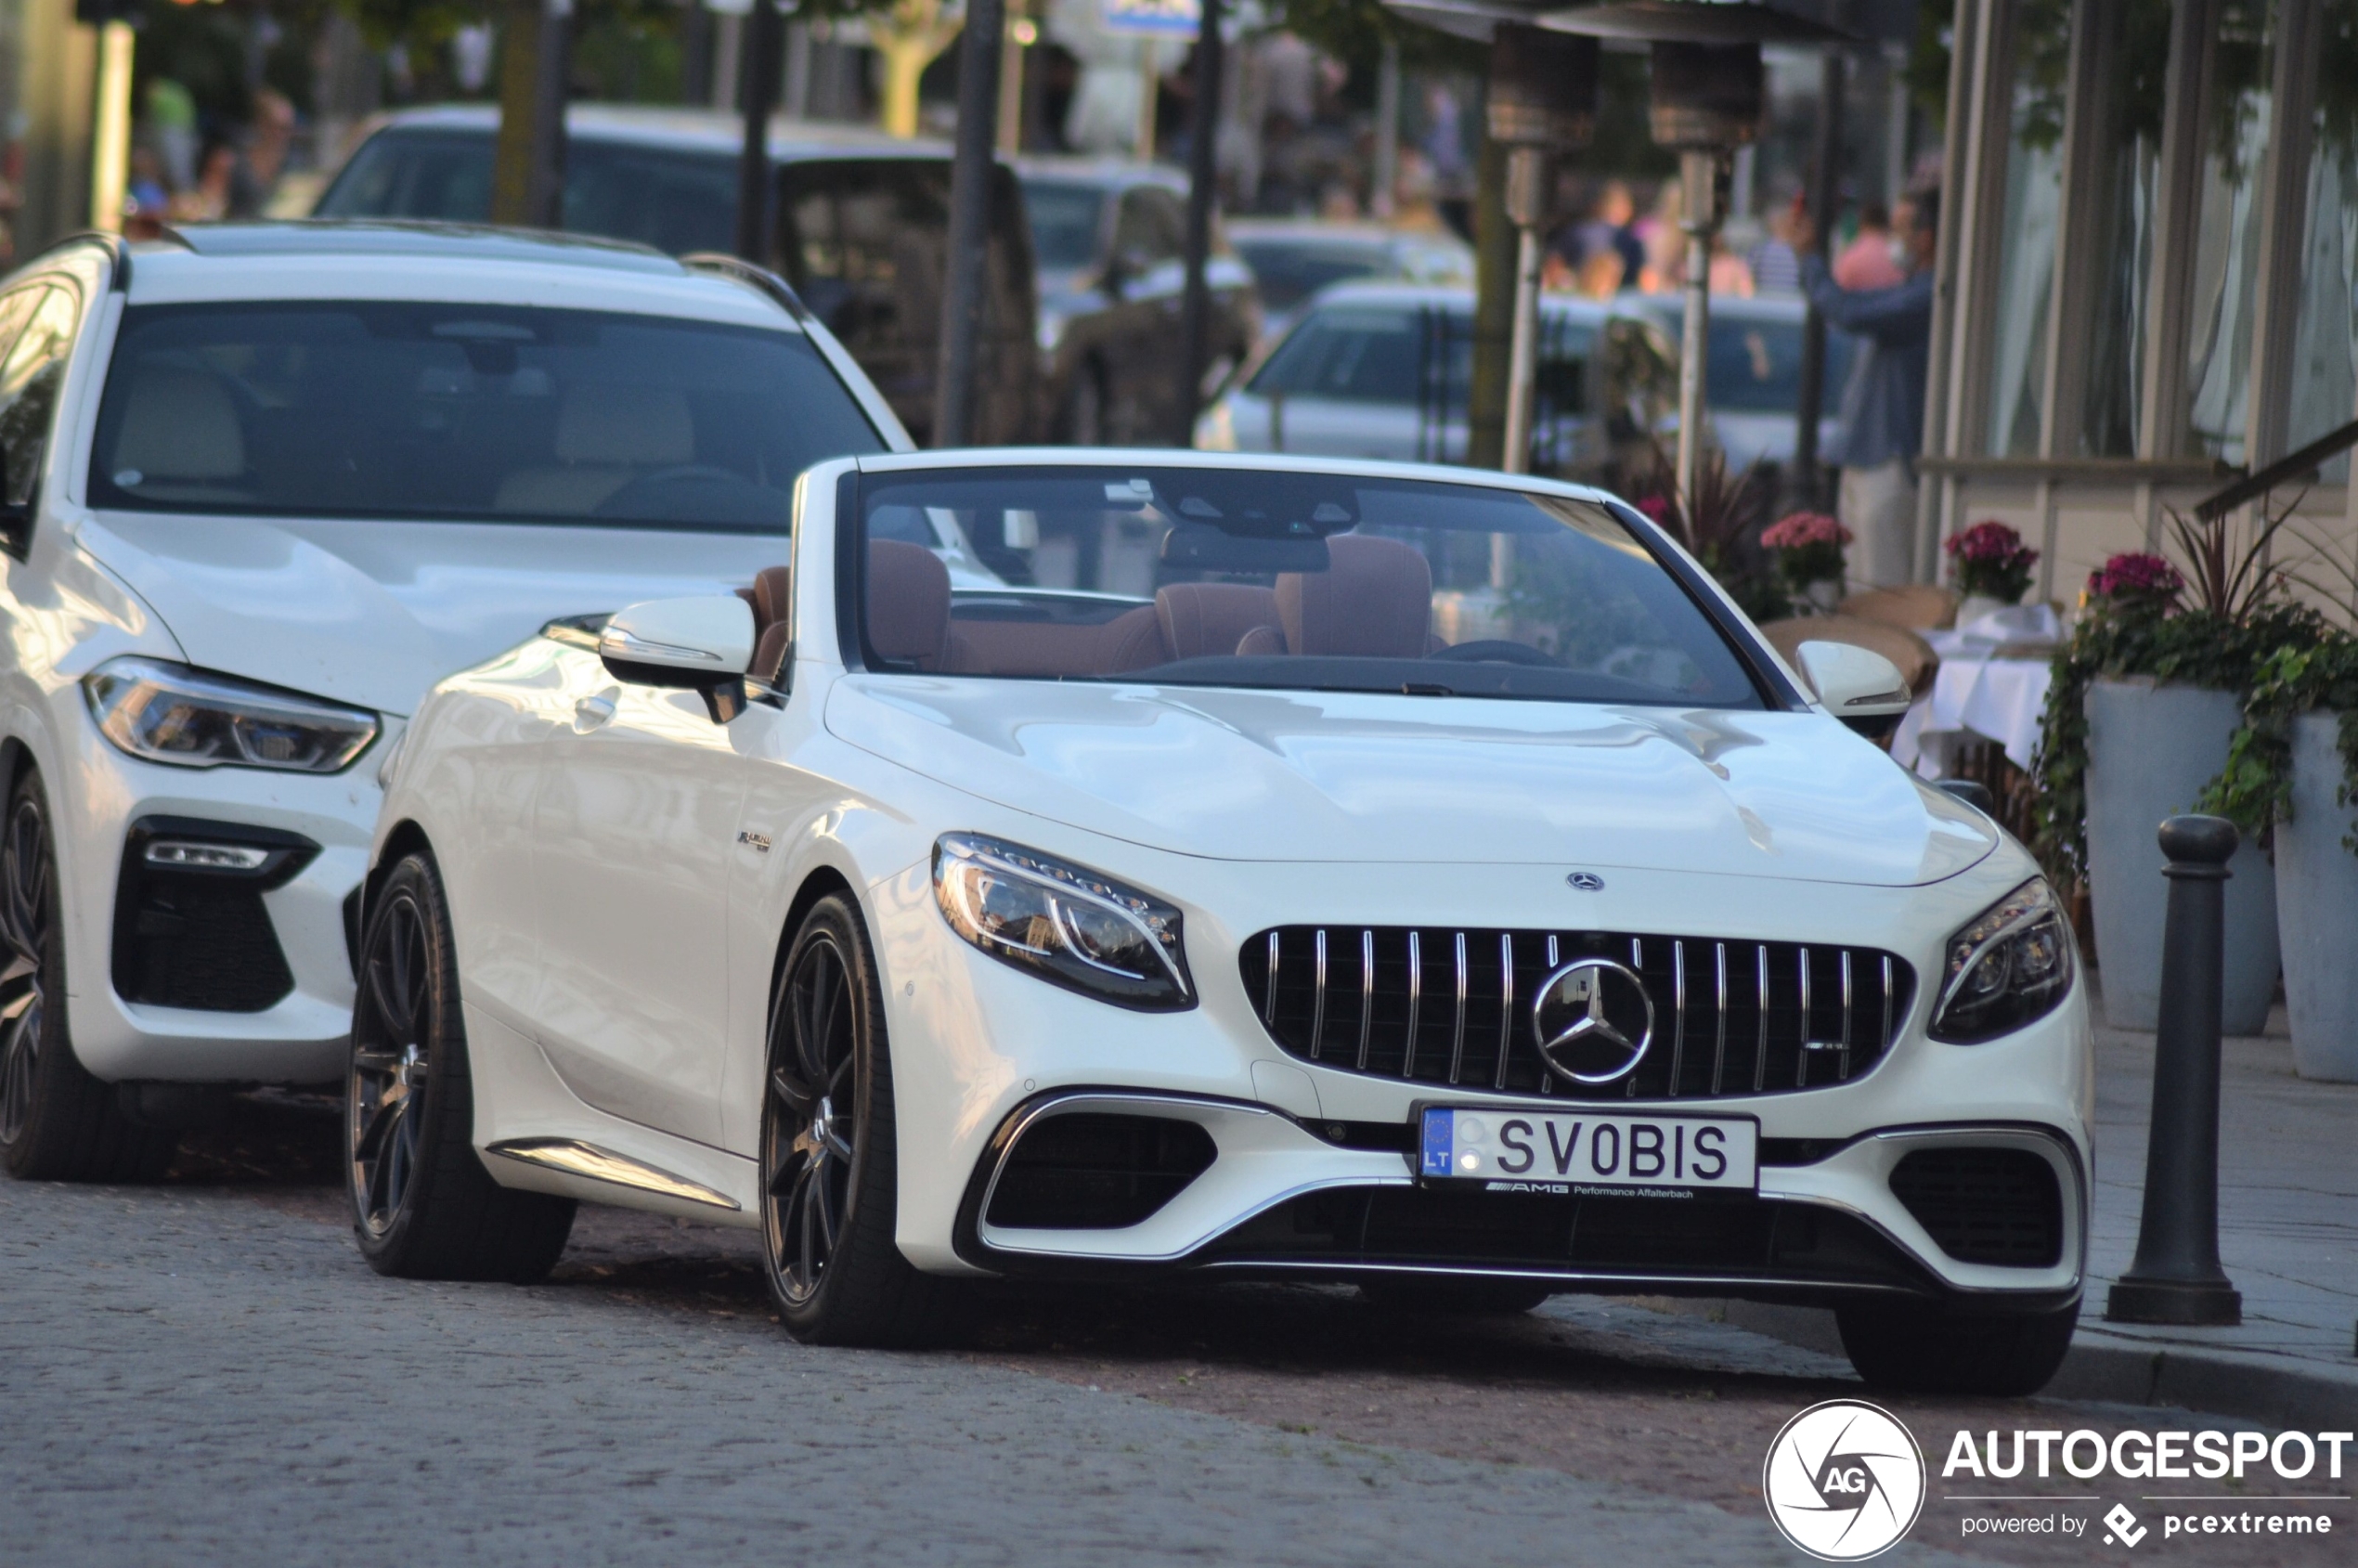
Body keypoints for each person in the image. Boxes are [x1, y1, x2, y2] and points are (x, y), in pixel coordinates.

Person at [1796, 188, 1937, 590]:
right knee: (1860, 590)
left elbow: (1847, 310)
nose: (1893, 241)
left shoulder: (1927, 297)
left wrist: (1811, 261)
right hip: (1867, 454)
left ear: (1925, 238)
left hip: (1890, 460)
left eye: (1899, 230)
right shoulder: (1909, 290)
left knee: (1881, 592)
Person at [1833, 201, 1904, 291]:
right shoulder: (1898, 257)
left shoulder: (1850, 257)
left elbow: (1839, 292)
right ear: (1886, 225)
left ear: (1861, 224)